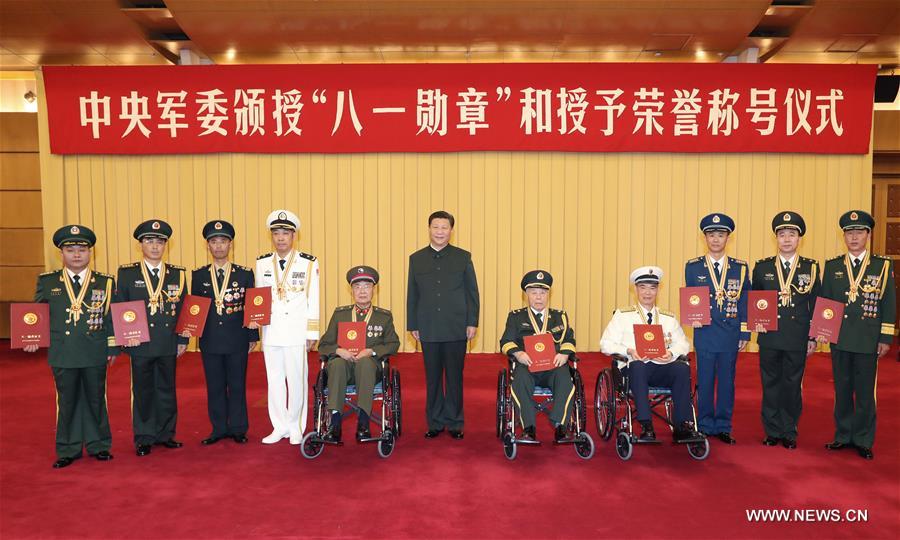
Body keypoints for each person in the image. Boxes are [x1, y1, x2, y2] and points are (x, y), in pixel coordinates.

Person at [25, 225, 117, 468]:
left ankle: (99, 445)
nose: (77, 254)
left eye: (82, 249)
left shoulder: (105, 282)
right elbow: (37, 315)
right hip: (63, 351)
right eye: (70, 249)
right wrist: (32, 339)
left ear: (90, 253)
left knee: (96, 399)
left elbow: (110, 319)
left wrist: (112, 347)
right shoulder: (48, 281)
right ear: (61, 253)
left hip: (94, 350)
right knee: (67, 401)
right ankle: (68, 447)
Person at [820, 210, 896, 460]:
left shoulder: (882, 266)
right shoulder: (832, 267)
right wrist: (822, 331)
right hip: (840, 339)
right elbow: (826, 302)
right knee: (842, 389)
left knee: (864, 392)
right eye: (849, 232)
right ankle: (842, 435)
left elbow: (889, 302)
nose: (854, 237)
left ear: (868, 234)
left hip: (867, 339)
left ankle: (863, 438)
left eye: (859, 232)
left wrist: (885, 337)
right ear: (844, 235)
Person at [599, 266, 700, 442]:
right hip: (633, 369)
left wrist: (671, 353)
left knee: (682, 368)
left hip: (661, 367)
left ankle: (682, 425)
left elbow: (684, 344)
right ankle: (646, 425)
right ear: (636, 289)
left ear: (657, 290)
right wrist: (629, 351)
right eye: (643, 287)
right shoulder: (623, 316)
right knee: (638, 366)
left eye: (652, 288)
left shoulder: (668, 318)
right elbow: (605, 344)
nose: (647, 292)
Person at [115, 219, 187, 456]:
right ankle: (144, 437)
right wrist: (125, 338)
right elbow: (121, 306)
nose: (155, 246)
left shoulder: (177, 274)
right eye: (149, 241)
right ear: (140, 245)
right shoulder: (127, 274)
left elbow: (184, 310)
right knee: (144, 390)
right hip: (140, 342)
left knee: (167, 389)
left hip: (167, 341)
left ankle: (166, 434)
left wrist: (183, 340)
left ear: (166, 244)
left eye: (159, 242)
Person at [407, 210, 480, 440]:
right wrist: (413, 323)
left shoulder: (463, 257)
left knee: (455, 377)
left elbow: (472, 293)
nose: (440, 231)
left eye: (444, 227)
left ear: (451, 230)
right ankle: (435, 422)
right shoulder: (416, 258)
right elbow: (413, 294)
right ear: (429, 229)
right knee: (433, 377)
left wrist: (472, 322)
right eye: (435, 227)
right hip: (428, 326)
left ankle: (456, 422)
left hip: (456, 326)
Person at [750, 212, 820, 449]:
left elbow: (816, 304)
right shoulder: (763, 267)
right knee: (770, 384)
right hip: (770, 335)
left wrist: (813, 336)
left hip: (797, 336)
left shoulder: (810, 267)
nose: (787, 239)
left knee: (792, 386)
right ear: (776, 239)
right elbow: (755, 301)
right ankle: (771, 430)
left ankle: (789, 430)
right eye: (782, 235)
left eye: (792, 234)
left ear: (799, 238)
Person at [188, 220, 258, 445]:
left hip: (237, 338)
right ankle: (218, 428)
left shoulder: (244, 274)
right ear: (208, 245)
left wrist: (252, 337)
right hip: (210, 339)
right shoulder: (199, 275)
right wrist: (193, 336)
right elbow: (195, 308)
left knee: (237, 384)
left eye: (223, 241)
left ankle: (238, 428)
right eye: (214, 242)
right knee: (215, 385)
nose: (218, 246)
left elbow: (252, 306)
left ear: (231, 245)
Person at [253, 210, 320, 445]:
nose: (281, 238)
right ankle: (278, 426)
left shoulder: (308, 262)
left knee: (296, 379)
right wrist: (257, 325)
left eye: (286, 233)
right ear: (271, 236)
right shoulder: (262, 263)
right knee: (274, 379)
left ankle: (295, 426)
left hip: (296, 330)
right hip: (271, 330)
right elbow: (259, 298)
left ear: (294, 236)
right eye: (276, 233)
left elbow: (314, 298)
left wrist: (312, 332)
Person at [684, 213, 749, 444]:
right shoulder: (693, 267)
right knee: (704, 378)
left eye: (720, 235)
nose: (715, 239)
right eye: (711, 235)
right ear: (705, 238)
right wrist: (692, 319)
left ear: (727, 238)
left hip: (730, 334)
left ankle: (723, 425)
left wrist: (744, 332)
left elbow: (744, 301)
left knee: (726, 381)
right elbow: (691, 300)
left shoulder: (740, 268)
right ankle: (703, 424)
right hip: (705, 333)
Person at [317, 266, 400, 443]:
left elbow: (394, 344)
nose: (362, 291)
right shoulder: (341, 314)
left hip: (370, 368)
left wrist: (372, 351)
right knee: (337, 364)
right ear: (352, 290)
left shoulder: (383, 317)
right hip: (344, 367)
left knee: (366, 363)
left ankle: (363, 423)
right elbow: (323, 344)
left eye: (366, 286)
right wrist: (338, 351)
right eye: (357, 287)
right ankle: (335, 424)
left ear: (373, 289)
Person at [499, 270, 576, 443]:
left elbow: (569, 339)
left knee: (566, 379)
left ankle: (561, 426)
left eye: (542, 293)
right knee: (519, 381)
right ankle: (529, 428)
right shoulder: (516, 317)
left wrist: (564, 354)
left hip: (554, 365)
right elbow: (505, 342)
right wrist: (518, 354)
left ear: (548, 294)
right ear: (526, 294)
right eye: (534, 293)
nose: (538, 297)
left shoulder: (559, 317)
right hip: (527, 365)